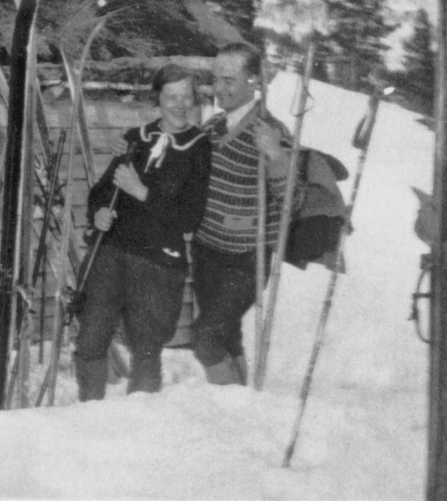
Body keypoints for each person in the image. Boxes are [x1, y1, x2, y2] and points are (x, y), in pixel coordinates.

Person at [75, 64, 212, 400]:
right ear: (158, 99)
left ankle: (141, 426)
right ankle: (87, 417)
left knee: (146, 346)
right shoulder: (138, 138)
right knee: (91, 338)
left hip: (157, 262)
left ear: (194, 100)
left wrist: (142, 193)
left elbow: (189, 218)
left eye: (186, 96)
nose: (179, 104)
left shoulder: (198, 148)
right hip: (111, 252)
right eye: (171, 96)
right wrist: (100, 213)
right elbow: (103, 190)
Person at [190, 42, 293, 385]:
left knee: (205, 339)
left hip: (248, 258)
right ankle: (238, 407)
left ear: (254, 81)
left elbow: (291, 200)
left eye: (229, 80)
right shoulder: (213, 127)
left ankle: (231, 407)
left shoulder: (270, 131)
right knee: (226, 336)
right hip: (207, 251)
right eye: (215, 78)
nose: (219, 88)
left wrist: (276, 158)